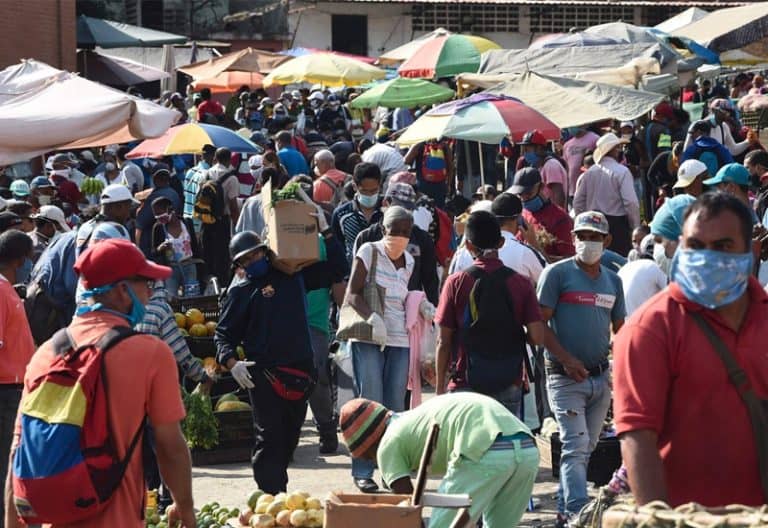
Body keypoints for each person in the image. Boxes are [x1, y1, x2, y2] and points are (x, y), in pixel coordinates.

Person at [4, 238, 195, 528]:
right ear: (122, 290)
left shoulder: (46, 353)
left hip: (55, 516)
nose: (150, 294)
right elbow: (170, 447)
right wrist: (185, 507)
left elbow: (19, 452)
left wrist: (12, 523)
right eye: (146, 285)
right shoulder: (150, 353)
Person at [614, 192, 768, 507]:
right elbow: (638, 437)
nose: (707, 258)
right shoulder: (650, 328)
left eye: (722, 246)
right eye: (696, 246)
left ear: (751, 250)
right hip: (689, 517)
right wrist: (659, 521)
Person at [537, 211, 626, 523]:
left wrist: (618, 367)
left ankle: (565, 510)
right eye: (583, 236)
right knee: (575, 447)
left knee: (586, 447)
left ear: (607, 241)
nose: (588, 242)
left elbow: (620, 328)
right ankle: (577, 514)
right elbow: (538, 326)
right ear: (573, 238)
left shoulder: (613, 280)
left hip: (599, 377)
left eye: (595, 237)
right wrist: (566, 359)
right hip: (564, 378)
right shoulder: (557, 274)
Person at [435, 210, 569, 414]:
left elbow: (443, 342)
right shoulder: (521, 284)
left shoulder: (456, 282)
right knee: (504, 443)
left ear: (468, 245)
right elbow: (537, 336)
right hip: (509, 379)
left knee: (466, 444)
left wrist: (439, 391)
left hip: (466, 381)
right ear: (501, 243)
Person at [339, 393, 539, 528]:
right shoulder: (410, 420)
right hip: (527, 446)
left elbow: (409, 510)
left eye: (367, 456)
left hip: (482, 447)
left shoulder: (387, 444)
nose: (373, 462)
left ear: (369, 442)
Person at [215, 231, 317, 494]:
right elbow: (223, 333)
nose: (254, 260)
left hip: (300, 369)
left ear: (266, 252)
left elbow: (337, 268)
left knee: (290, 436)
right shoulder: (241, 293)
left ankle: (275, 487)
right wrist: (230, 362)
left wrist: (325, 228)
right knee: (269, 436)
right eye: (246, 259)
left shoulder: (292, 275)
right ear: (240, 266)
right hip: (263, 374)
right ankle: (272, 497)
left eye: (257, 253)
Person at [345, 206, 415, 492]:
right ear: (383, 229)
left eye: (404, 232)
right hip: (369, 337)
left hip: (400, 340)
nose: (398, 236)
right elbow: (352, 293)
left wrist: (419, 304)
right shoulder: (369, 251)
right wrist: (373, 319)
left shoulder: (409, 260)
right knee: (370, 405)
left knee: (395, 409)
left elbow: (403, 297)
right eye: (393, 230)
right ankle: (363, 471)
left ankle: (390, 470)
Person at [354, 183, 439, 305]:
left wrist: (432, 314)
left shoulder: (422, 239)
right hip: (374, 310)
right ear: (386, 203)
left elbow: (430, 281)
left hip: (409, 312)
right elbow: (355, 285)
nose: (404, 214)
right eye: (399, 208)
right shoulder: (367, 238)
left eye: (408, 209)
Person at [0, 231, 35, 523]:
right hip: (5, 390)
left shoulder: (8, 288)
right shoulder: (0, 290)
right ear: (21, 259)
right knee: (6, 467)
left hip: (14, 387)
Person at [449, 193, 545, 284]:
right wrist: (535, 246)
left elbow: (451, 287)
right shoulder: (525, 253)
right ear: (520, 219)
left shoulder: (462, 253)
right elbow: (550, 281)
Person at [574, 133, 640, 256]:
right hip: (616, 226)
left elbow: (578, 203)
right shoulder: (622, 172)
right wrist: (635, 227)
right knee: (618, 263)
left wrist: (583, 222)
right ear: (613, 150)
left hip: (593, 223)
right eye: (617, 148)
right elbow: (631, 203)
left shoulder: (589, 173)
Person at [508, 167, 575, 259]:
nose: (524, 199)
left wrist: (536, 246)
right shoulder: (523, 214)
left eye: (528, 193)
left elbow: (568, 261)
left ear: (542, 187)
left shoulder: (560, 219)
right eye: (520, 195)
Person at [331, 162, 384, 265]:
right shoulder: (341, 214)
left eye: (374, 190)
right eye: (364, 191)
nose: (370, 195)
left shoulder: (388, 211)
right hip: (351, 272)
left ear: (380, 186)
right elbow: (338, 247)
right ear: (354, 186)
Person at [201, 148, 240, 285]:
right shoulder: (232, 179)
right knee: (222, 256)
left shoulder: (206, 174)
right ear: (229, 160)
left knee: (208, 254)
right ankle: (223, 285)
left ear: (215, 158)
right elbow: (233, 206)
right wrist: (237, 225)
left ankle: (209, 284)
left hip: (206, 220)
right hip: (222, 221)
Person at [149, 197, 202, 298]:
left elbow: (195, 247)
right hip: (171, 269)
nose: (159, 218)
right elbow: (153, 251)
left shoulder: (187, 223)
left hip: (189, 266)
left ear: (170, 209)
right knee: (171, 298)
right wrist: (160, 248)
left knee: (192, 299)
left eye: (161, 214)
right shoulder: (158, 228)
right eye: (157, 215)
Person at [514, 130, 567, 209]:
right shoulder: (537, 166)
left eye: (527, 150)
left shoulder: (551, 165)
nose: (524, 153)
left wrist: (556, 218)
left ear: (539, 148)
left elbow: (558, 195)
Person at [136, 166, 182, 257]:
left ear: (154, 179)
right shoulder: (174, 193)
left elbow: (140, 225)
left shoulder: (154, 198)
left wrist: (137, 249)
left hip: (156, 246)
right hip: (173, 242)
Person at [617, 234, 667, 316]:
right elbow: (673, 296)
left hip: (624, 325)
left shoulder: (625, 268)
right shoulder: (654, 267)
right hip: (646, 324)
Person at [404, 138, 454, 208]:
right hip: (440, 186)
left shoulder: (420, 145)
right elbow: (450, 168)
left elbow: (406, 161)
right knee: (439, 211)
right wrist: (448, 185)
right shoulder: (444, 146)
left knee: (423, 210)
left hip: (423, 186)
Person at [183, 143, 216, 236]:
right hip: (199, 220)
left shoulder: (190, 171)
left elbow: (185, 193)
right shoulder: (207, 175)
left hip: (187, 215)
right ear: (212, 156)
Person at [563, 126, 600, 201]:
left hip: (591, 190)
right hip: (573, 191)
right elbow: (566, 168)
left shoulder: (595, 139)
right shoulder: (567, 145)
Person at [745, 149, 768, 223]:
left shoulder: (766, 195)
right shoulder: (760, 190)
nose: (745, 173)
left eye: (747, 168)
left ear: (758, 168)